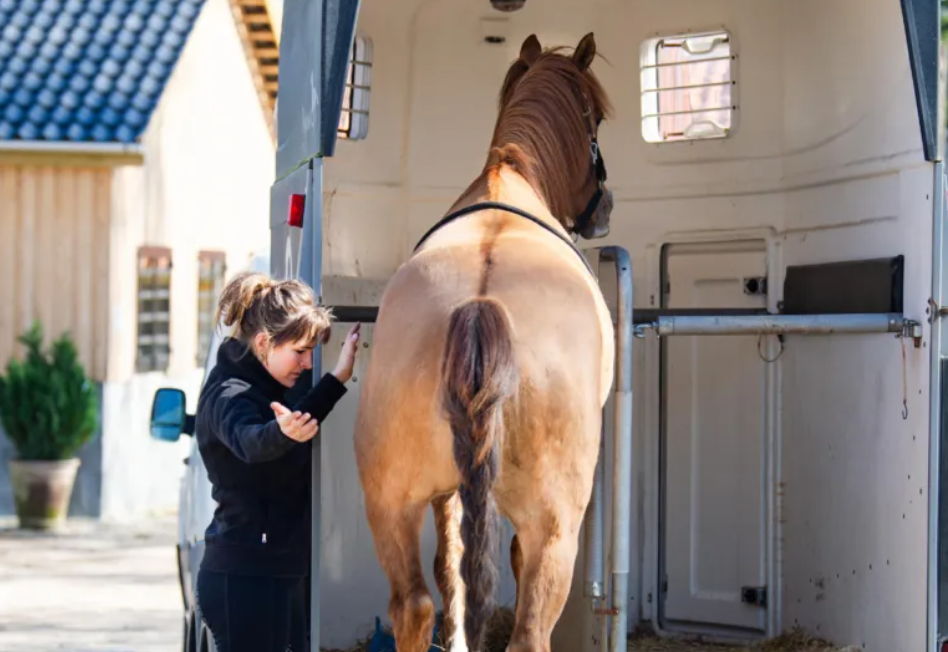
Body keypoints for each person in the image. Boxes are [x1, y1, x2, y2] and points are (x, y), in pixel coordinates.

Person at [193, 271, 361, 652]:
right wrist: (282, 433)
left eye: (311, 352)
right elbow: (251, 441)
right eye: (300, 352)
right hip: (243, 578)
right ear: (264, 342)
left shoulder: (274, 381)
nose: (306, 363)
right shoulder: (227, 393)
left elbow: (299, 415)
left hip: (281, 571)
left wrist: (338, 378)